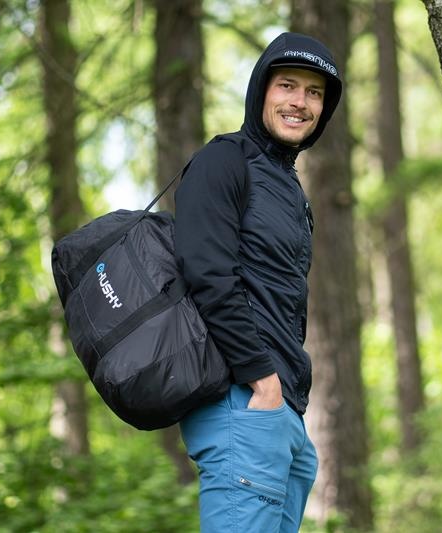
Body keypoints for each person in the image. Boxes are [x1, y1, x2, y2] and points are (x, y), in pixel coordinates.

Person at [173, 32, 342, 533]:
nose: (300, 102)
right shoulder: (225, 161)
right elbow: (207, 274)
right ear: (260, 90)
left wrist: (281, 399)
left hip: (280, 411)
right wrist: (262, 380)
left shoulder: (287, 185)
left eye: (314, 92)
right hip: (244, 400)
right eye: (287, 85)